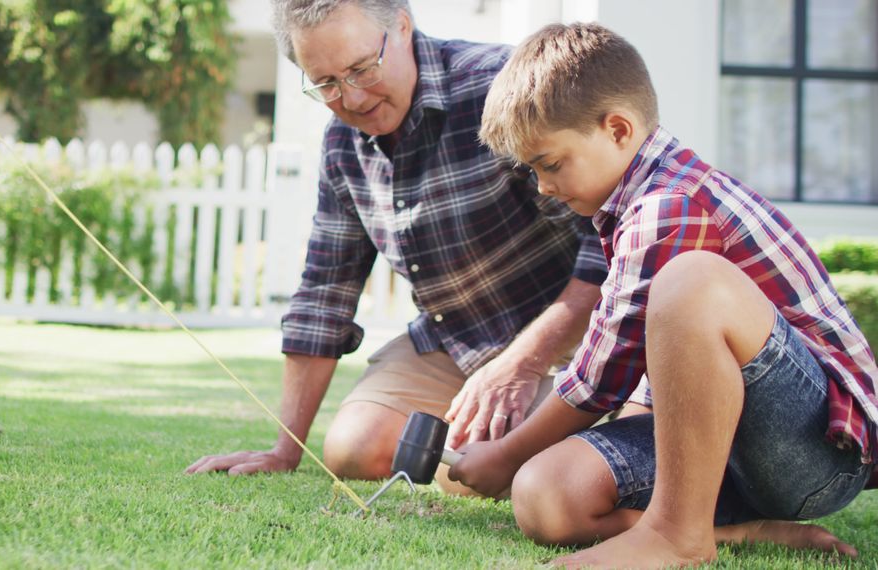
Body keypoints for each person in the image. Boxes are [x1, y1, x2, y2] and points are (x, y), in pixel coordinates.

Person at [449, 22, 878, 567]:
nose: (544, 187)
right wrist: (525, 466)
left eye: (550, 163)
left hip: (814, 452)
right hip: (723, 450)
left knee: (691, 281)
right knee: (546, 494)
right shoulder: (631, 207)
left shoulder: (669, 205)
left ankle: (677, 536)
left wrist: (507, 453)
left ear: (618, 130)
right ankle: (744, 533)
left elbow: (601, 379)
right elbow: (646, 372)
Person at [185, 0, 608, 487]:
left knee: (556, 471)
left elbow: (605, 246)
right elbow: (325, 291)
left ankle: (527, 462)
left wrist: (522, 362)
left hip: (573, 335)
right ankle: (496, 464)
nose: (352, 98)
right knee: (353, 450)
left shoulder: (501, 85)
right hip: (457, 336)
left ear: (402, 28)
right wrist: (285, 447)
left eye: (361, 69)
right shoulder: (342, 145)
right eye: (325, 83)